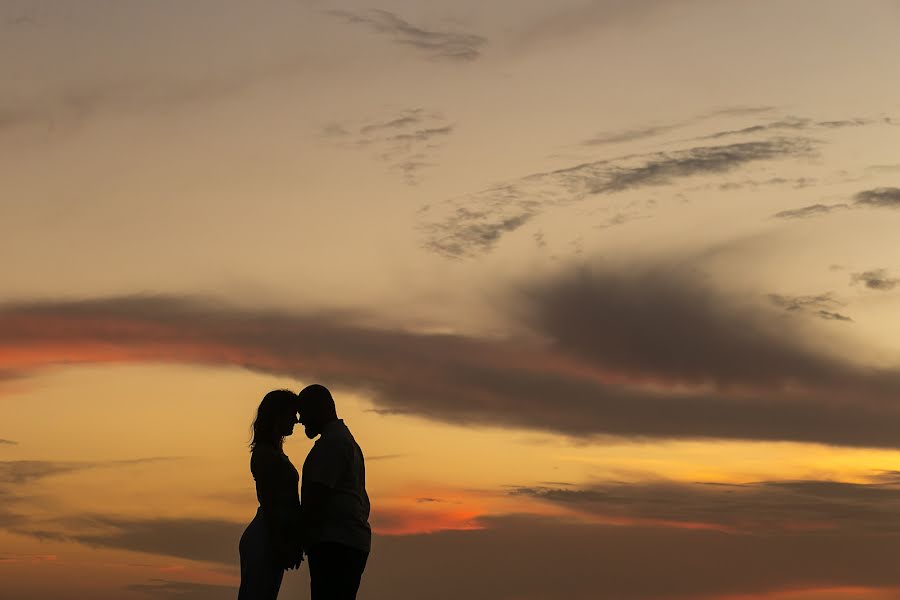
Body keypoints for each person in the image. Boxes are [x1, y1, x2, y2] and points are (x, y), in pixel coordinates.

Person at [297, 384, 371, 600]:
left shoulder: (333, 443)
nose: (300, 420)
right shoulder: (342, 440)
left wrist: (298, 538)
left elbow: (316, 499)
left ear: (321, 409)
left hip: (336, 543)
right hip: (345, 540)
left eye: (304, 412)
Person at [238, 389, 304, 600]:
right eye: (292, 414)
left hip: (271, 535)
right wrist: (282, 543)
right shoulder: (265, 454)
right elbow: (270, 504)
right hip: (266, 536)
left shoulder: (274, 453)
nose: (296, 420)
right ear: (278, 416)